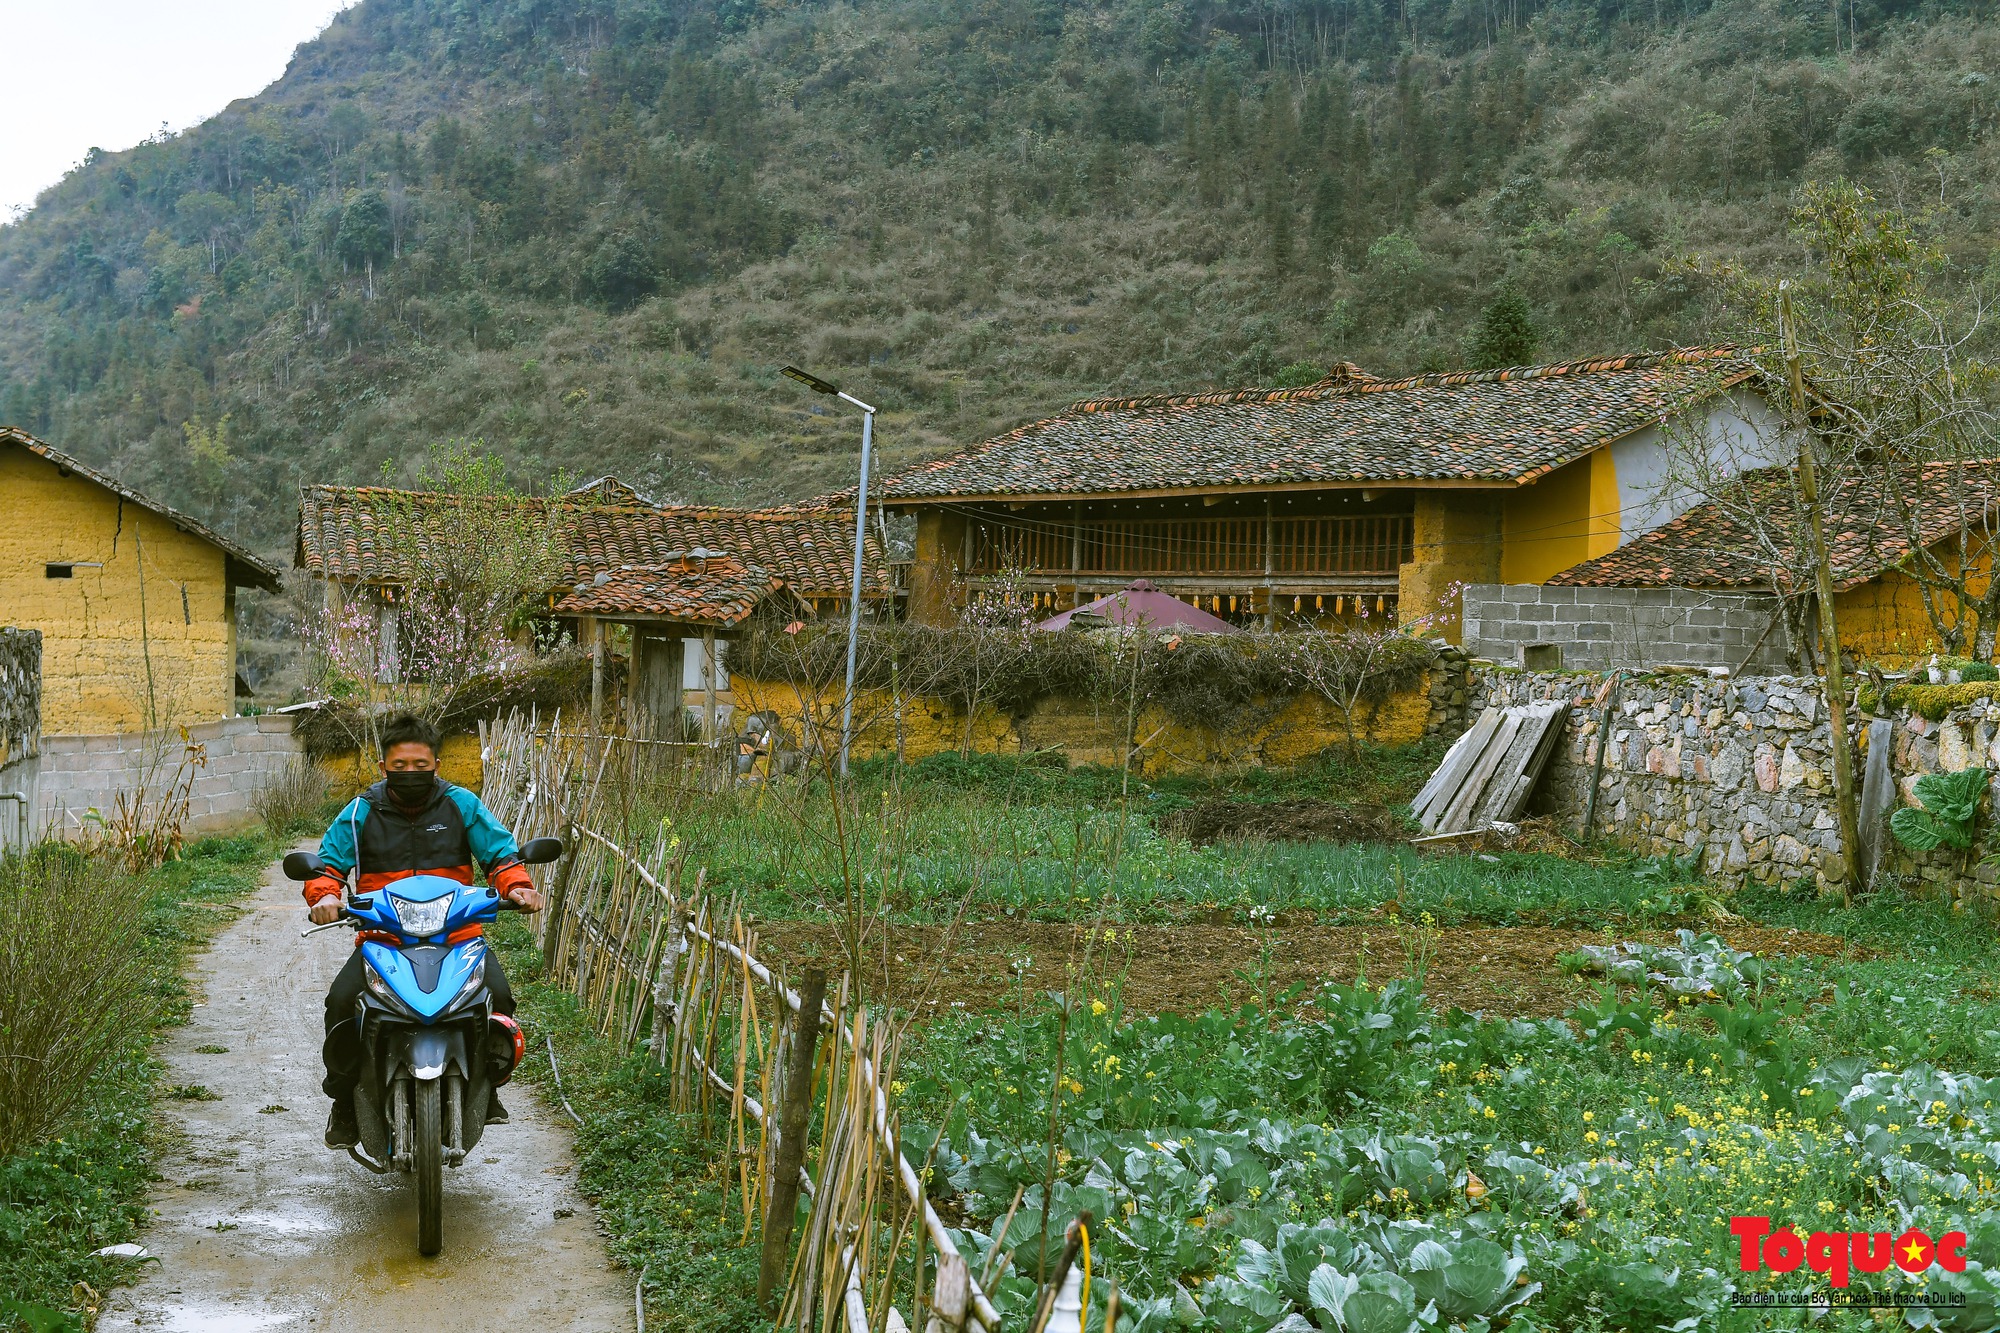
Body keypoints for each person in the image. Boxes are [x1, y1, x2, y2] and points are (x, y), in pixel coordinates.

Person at [303, 713, 544, 1150]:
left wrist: (520, 887)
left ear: (436, 763)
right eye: (400, 766)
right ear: (383, 767)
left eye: (420, 765)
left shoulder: (461, 805)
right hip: (384, 940)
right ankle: (342, 1100)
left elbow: (501, 857)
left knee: (499, 999)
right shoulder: (359, 812)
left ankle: (486, 1089)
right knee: (340, 1003)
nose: (410, 773)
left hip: (458, 936)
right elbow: (327, 867)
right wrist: (324, 896)